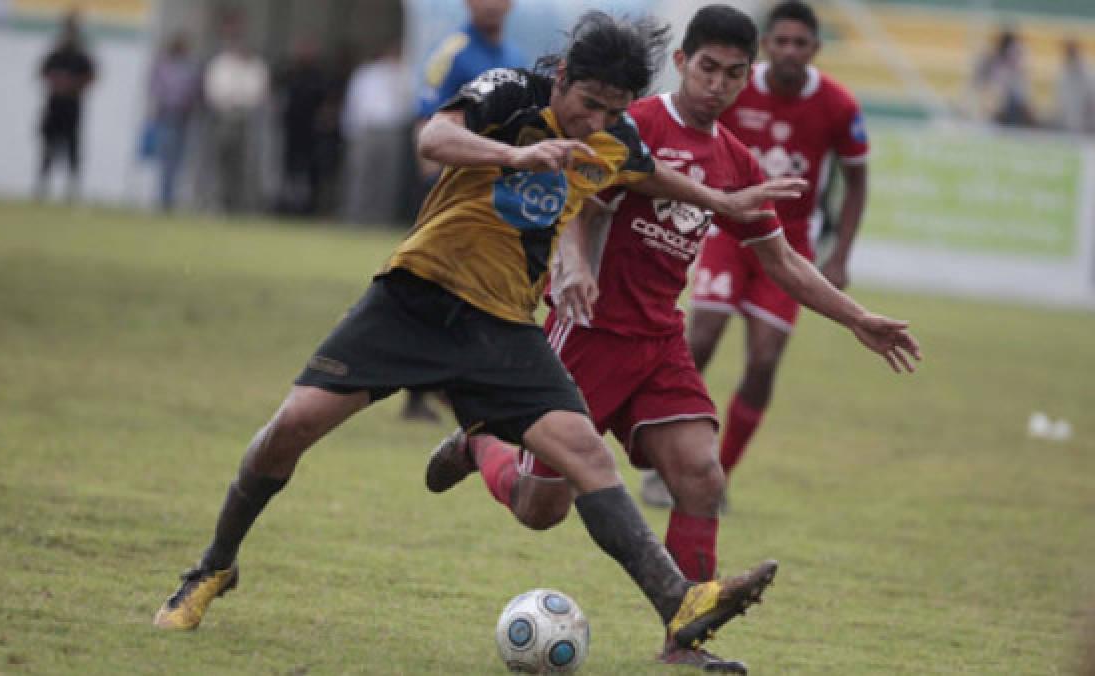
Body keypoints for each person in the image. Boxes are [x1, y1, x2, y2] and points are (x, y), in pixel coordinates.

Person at [152, 11, 808, 663]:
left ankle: (680, 602)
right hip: (413, 299)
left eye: (614, 111)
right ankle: (213, 566)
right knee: (290, 428)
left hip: (501, 327)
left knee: (585, 457)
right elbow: (432, 138)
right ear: (561, 79)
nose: (596, 123)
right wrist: (517, 154)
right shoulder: (510, 92)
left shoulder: (614, 136)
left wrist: (723, 204)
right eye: (588, 104)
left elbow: (645, 172)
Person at [423, 5, 920, 670]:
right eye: (707, 67)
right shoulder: (631, 122)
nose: (717, 84)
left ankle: (682, 644)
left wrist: (856, 316)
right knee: (540, 510)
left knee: (700, 475)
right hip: (590, 332)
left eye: (733, 74)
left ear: (748, 78)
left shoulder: (734, 159)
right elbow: (576, 200)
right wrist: (572, 264)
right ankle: (481, 439)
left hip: (660, 340)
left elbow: (782, 262)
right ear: (683, 62)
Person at [640, 0, 872, 509]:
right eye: (782, 41)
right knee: (699, 338)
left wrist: (840, 256)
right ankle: (669, 464)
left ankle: (716, 475)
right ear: (768, 46)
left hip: (788, 239)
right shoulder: (720, 93)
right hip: (726, 227)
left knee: (764, 360)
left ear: (816, 49)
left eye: (801, 43)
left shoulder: (838, 105)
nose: (790, 51)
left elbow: (856, 181)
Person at [403, 0, 526, 422]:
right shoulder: (452, 52)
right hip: (450, 193)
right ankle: (418, 390)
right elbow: (426, 121)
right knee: (430, 284)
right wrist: (433, 189)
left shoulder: (514, 60)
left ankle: (454, 383)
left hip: (492, 198)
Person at [339, 42, 412, 225]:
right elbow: (354, 101)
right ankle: (356, 216)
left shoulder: (404, 74)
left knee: (387, 177)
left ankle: (381, 217)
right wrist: (350, 129)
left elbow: (408, 103)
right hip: (367, 129)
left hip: (391, 131)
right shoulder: (366, 73)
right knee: (361, 175)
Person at [203, 11, 268, 215]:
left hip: (246, 118)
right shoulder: (219, 63)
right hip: (223, 117)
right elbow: (213, 90)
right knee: (219, 162)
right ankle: (216, 203)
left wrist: (239, 97)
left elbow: (257, 93)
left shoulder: (255, 66)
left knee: (245, 165)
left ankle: (241, 206)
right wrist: (232, 98)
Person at [35, 11, 96, 202]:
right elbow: (43, 72)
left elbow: (91, 76)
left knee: (72, 149)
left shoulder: (81, 55)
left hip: (72, 105)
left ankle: (72, 190)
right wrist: (58, 83)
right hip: (55, 104)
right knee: (49, 147)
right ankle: (42, 187)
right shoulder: (56, 53)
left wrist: (73, 85)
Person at [274, 40, 332, 215]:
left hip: (312, 132)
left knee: (310, 170)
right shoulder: (290, 73)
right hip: (291, 129)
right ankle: (287, 205)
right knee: (289, 169)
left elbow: (326, 104)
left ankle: (308, 207)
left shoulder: (319, 76)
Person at [147, 33, 200, 211]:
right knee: (166, 159)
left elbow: (194, 90)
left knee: (178, 161)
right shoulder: (163, 65)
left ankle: (171, 198)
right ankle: (164, 199)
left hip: (184, 116)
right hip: (166, 114)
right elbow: (155, 88)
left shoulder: (190, 67)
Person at [969, 27, 1035, 128]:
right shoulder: (994, 67)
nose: (1018, 57)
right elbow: (985, 95)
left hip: (1007, 114)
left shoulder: (1016, 74)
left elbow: (1022, 99)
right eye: (1015, 52)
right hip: (989, 113)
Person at [1055, 39, 1095, 135]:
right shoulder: (1063, 73)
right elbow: (1062, 101)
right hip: (1069, 125)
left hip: (1087, 127)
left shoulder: (1088, 74)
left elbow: (1091, 102)